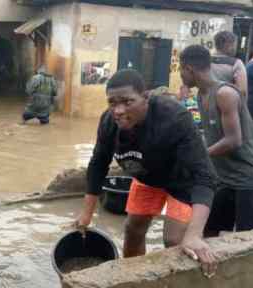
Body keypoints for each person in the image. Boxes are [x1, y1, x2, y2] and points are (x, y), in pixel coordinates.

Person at [75, 69, 218, 277]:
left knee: (175, 240)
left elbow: (205, 176)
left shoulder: (175, 118)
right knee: (132, 229)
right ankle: (133, 279)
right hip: (147, 178)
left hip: (182, 181)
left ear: (145, 98)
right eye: (112, 103)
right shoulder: (108, 122)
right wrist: (86, 215)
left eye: (127, 102)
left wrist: (195, 235)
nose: (118, 110)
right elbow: (98, 164)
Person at [179, 45, 253, 237]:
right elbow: (212, 135)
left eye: (180, 69)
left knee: (251, 238)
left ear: (189, 69)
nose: (180, 75)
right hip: (222, 177)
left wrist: (200, 156)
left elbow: (233, 140)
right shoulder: (200, 95)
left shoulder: (224, 94)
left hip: (247, 177)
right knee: (209, 231)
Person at [211, 31, 248, 99]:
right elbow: (242, 91)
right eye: (234, 45)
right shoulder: (236, 63)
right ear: (230, 45)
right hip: (228, 105)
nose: (235, 48)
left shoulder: (206, 61)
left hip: (207, 105)